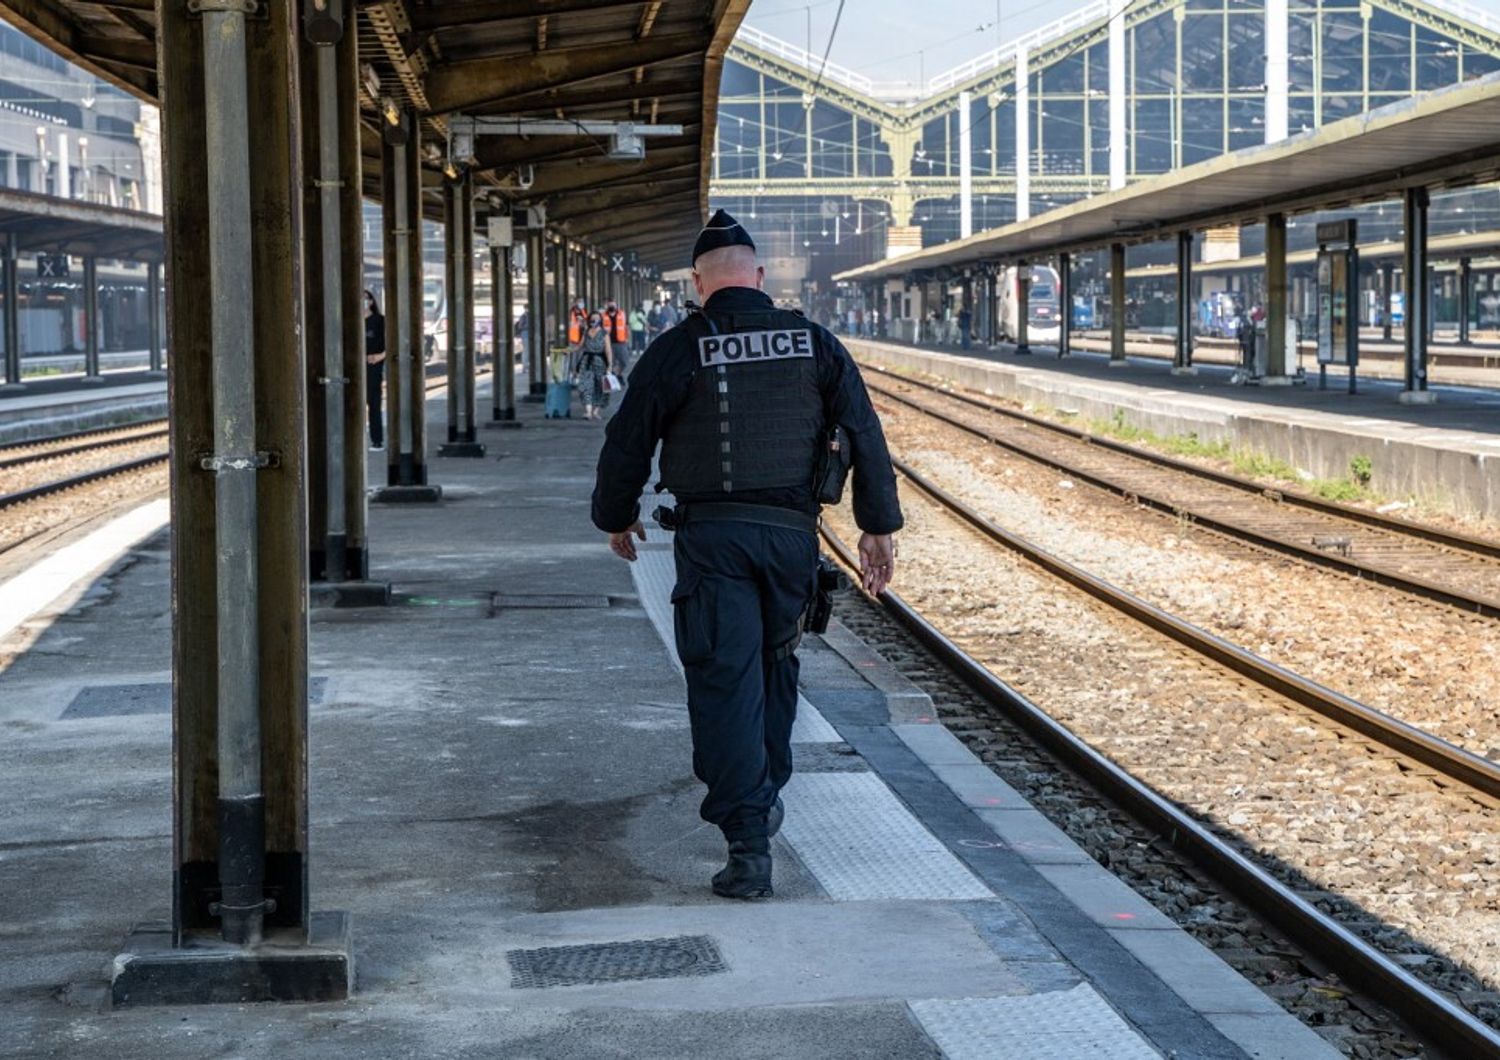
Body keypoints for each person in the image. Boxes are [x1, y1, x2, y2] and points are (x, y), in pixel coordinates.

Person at [591, 209, 903, 900]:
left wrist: (616, 516)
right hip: (791, 539)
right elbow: (864, 431)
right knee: (775, 668)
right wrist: (876, 527)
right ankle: (764, 795)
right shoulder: (814, 343)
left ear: (701, 285)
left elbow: (628, 439)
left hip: (714, 543)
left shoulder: (680, 347)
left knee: (724, 679)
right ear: (758, 278)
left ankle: (748, 837)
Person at [571, 310, 614, 420]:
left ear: (600, 320)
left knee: (601, 387)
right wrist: (569, 350)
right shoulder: (586, 332)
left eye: (596, 319)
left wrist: (610, 365)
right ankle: (588, 412)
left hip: (600, 362)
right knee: (585, 385)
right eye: (592, 319)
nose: (594, 321)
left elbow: (608, 350)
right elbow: (580, 346)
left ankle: (595, 411)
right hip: (586, 362)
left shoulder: (604, 334)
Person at [363, 289, 386, 451]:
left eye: (365, 298)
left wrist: (380, 356)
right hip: (356, 368)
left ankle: (376, 440)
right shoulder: (350, 321)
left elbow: (390, 342)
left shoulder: (380, 320)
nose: (362, 301)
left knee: (374, 403)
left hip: (373, 367)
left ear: (371, 301)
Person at [602, 297, 631, 375]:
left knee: (624, 362)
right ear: (607, 305)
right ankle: (612, 378)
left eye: (613, 304)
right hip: (608, 343)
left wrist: (627, 338)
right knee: (610, 362)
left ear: (616, 305)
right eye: (610, 304)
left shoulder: (622, 314)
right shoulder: (602, 316)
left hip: (620, 342)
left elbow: (627, 326)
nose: (612, 306)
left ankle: (618, 373)